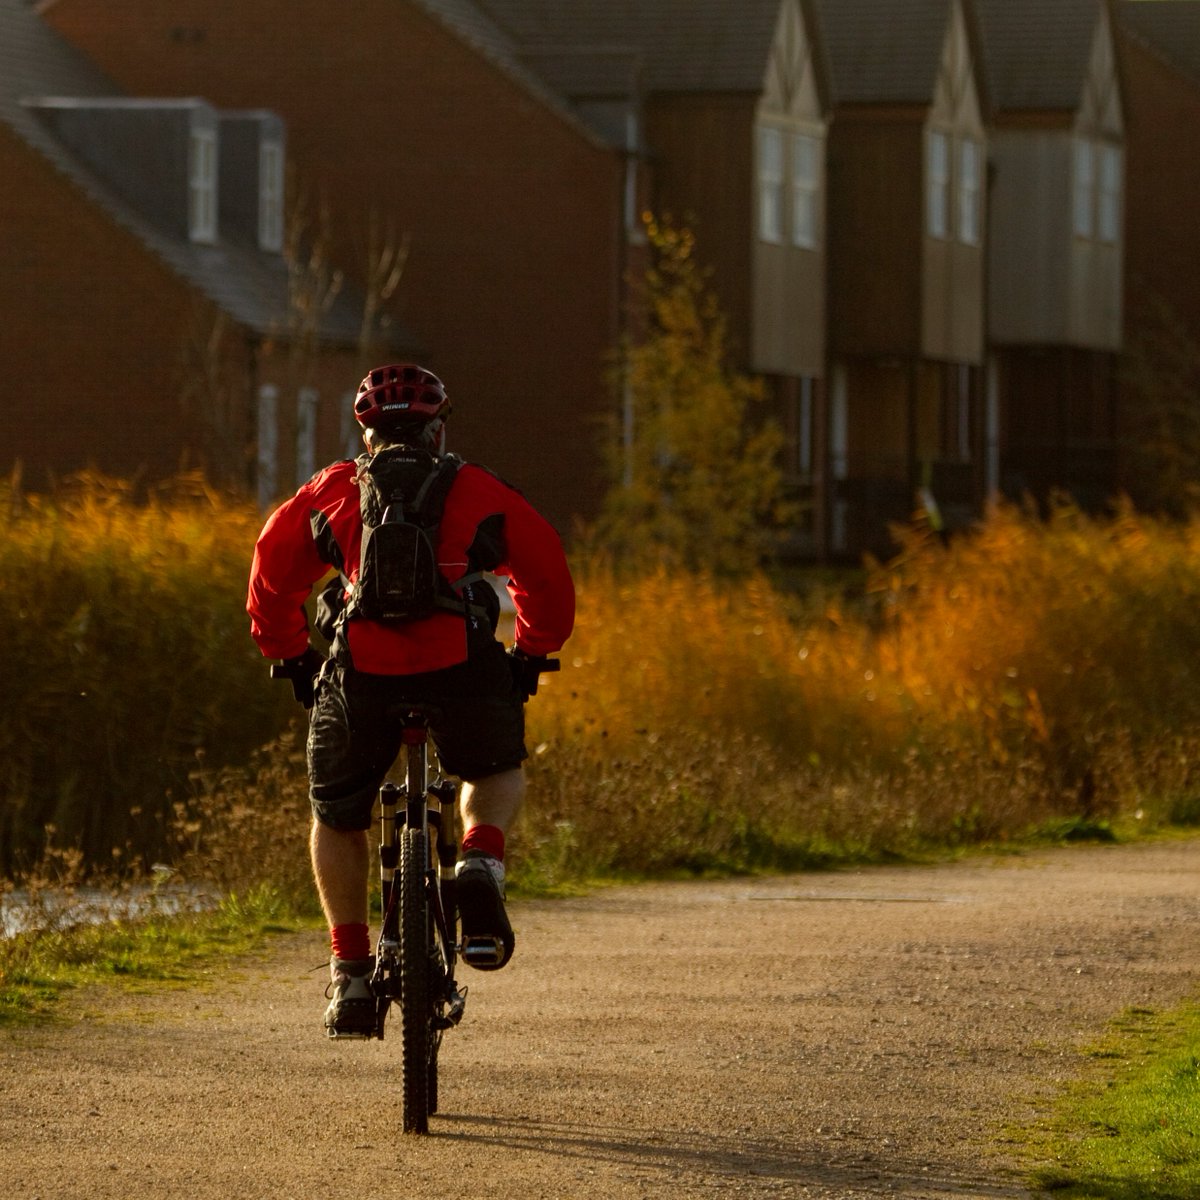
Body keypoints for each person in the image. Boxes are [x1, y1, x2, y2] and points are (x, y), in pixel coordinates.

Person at [246, 363, 575, 1038]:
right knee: (492, 770)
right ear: (437, 427)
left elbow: (270, 578)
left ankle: (352, 978)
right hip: (462, 671)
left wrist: (293, 657)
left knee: (338, 815)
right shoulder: (476, 488)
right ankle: (481, 859)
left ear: (364, 431)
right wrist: (532, 653)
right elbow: (546, 572)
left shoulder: (332, 490)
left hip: (362, 677)